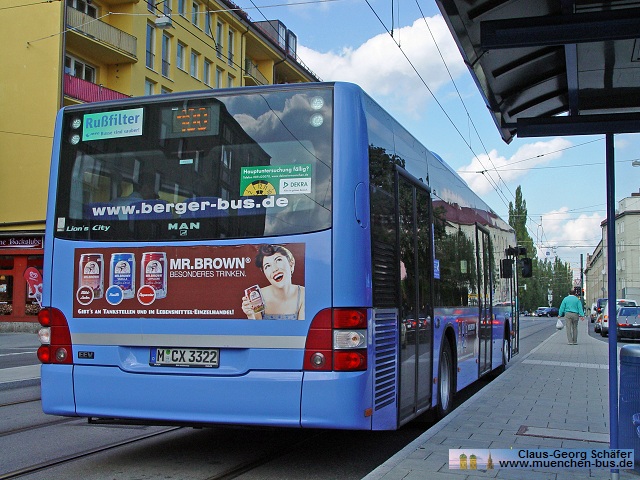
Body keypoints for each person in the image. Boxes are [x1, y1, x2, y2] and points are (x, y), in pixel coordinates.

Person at [241, 244, 305, 320]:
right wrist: (250, 315)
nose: (274, 269)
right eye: (267, 266)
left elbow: (302, 326)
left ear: (291, 263)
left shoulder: (303, 294)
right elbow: (256, 326)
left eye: (278, 260)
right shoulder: (258, 296)